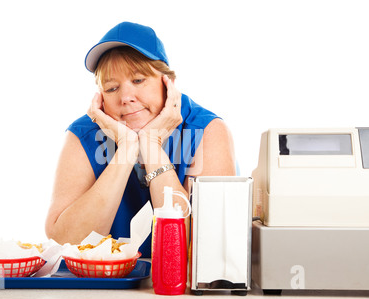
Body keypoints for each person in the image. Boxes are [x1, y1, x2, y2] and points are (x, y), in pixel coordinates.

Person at [45, 22, 236, 257]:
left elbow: (204, 247)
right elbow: (65, 241)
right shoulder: (83, 134)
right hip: (104, 286)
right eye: (112, 88)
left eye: (138, 80)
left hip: (178, 290)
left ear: (168, 83)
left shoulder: (207, 130)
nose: (126, 97)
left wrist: (151, 146)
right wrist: (126, 148)